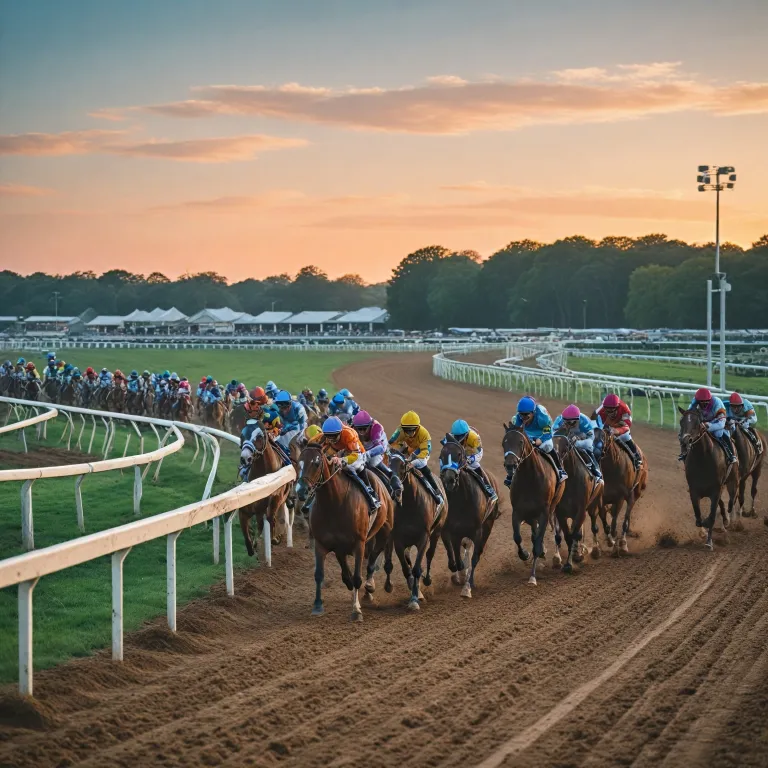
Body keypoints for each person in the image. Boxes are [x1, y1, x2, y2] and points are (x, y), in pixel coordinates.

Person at [310, 416, 380, 511]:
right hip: (339, 450)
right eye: (328, 436)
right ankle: (311, 498)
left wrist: (342, 460)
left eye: (334, 436)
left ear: (340, 432)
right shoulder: (324, 436)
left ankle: (370, 495)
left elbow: (355, 455)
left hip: (356, 454)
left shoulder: (349, 433)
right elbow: (310, 446)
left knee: (349, 468)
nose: (331, 439)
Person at [388, 411, 444, 506]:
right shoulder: (400, 430)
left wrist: (412, 463)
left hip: (422, 451)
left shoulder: (424, 434)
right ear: (402, 427)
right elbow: (391, 443)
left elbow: (425, 452)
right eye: (406, 430)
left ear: (417, 427)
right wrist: (401, 448)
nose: (409, 433)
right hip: (408, 450)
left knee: (422, 465)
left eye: (411, 430)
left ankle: (436, 491)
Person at [510, 396, 568, 485]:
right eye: (521, 414)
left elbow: (548, 431)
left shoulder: (542, 415)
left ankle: (559, 469)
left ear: (533, 412)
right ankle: (512, 474)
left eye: (526, 414)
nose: (523, 417)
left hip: (542, 433)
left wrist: (540, 440)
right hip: (527, 434)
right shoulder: (518, 417)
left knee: (548, 446)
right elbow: (517, 432)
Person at [445, 419, 499, 502]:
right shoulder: (450, 437)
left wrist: (471, 459)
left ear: (466, 434)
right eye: (456, 436)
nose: (458, 438)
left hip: (471, 451)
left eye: (460, 436)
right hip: (458, 451)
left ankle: (488, 488)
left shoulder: (474, 438)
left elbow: (479, 453)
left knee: (475, 465)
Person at [683, 388, 737, 464]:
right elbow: (689, 415)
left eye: (706, 403)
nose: (703, 405)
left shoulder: (717, 403)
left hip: (716, 422)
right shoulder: (694, 402)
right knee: (688, 433)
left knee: (718, 433)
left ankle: (731, 454)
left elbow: (721, 424)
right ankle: (685, 452)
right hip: (702, 422)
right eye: (701, 403)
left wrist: (708, 426)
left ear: (710, 400)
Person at [553, 404, 603, 482]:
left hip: (582, 439)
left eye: (572, 422)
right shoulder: (559, 420)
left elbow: (590, 437)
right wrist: (560, 429)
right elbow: (552, 435)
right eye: (566, 422)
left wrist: (578, 440)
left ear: (578, 419)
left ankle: (595, 469)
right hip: (566, 439)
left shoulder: (584, 420)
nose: (569, 424)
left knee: (588, 446)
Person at [594, 393, 643, 468]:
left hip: (621, 424)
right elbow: (597, 422)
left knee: (626, 437)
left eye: (612, 410)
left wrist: (617, 431)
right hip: (608, 424)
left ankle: (636, 457)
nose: (609, 413)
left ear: (617, 407)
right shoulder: (602, 410)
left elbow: (627, 426)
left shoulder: (624, 408)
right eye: (607, 410)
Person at [351, 410, 396, 489]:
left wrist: (367, 454)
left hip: (378, 445)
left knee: (373, 461)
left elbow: (380, 448)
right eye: (359, 429)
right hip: (363, 447)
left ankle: (389, 474)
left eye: (364, 429)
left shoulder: (376, 428)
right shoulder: (352, 428)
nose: (361, 432)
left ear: (370, 426)